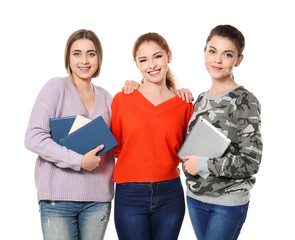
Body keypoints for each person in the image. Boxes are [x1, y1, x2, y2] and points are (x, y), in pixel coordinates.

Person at [24, 29, 138, 240]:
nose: (84, 60)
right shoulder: (56, 88)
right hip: (57, 200)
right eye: (77, 53)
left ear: (99, 58)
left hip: (98, 201)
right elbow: (33, 137)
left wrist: (136, 91)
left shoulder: (107, 98)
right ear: (68, 57)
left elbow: (125, 140)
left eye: (91, 54)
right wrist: (79, 161)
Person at [181, 25, 263, 240]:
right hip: (195, 198)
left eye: (227, 54)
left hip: (227, 203)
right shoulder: (199, 99)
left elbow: (251, 161)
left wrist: (201, 165)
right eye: (212, 51)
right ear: (205, 52)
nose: (217, 60)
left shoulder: (244, 101)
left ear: (238, 60)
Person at [111, 32, 194, 240]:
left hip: (170, 194)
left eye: (157, 56)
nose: (152, 65)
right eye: (143, 60)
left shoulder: (185, 104)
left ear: (169, 56)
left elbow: (189, 152)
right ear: (137, 64)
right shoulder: (122, 100)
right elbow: (116, 147)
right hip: (129, 194)